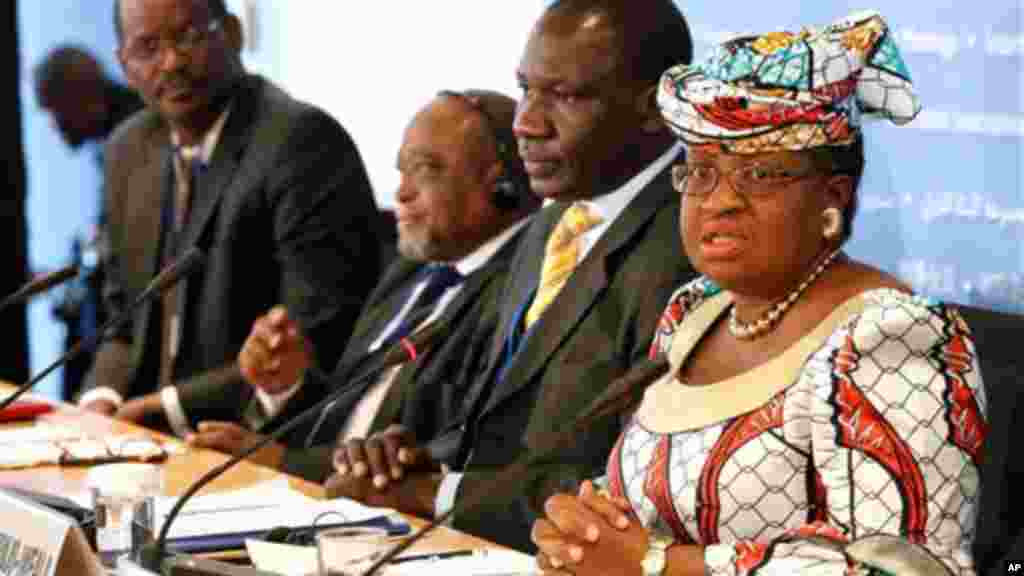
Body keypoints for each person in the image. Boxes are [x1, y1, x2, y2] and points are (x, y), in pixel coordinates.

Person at [530, 11, 986, 575]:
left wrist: (656, 566)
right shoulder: (693, 313)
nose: (720, 200)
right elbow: (649, 502)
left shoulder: (891, 336)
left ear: (833, 196)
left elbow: (907, 568)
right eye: (700, 172)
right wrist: (582, 536)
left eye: (761, 175)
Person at [327, 0, 698, 552]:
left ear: (654, 107)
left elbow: (643, 486)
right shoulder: (554, 221)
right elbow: (501, 427)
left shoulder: (691, 246)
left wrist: (442, 493)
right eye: (526, 89)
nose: (527, 122)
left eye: (566, 96)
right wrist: (417, 458)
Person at [184, 90, 540, 481]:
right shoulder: (411, 272)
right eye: (401, 171)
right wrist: (285, 388)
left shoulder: (522, 293)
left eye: (425, 169)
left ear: (500, 185)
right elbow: (350, 415)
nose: (402, 193)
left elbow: (441, 451)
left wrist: (285, 464)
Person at [76, 0, 381, 438]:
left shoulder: (301, 143)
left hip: (259, 441)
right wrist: (98, 403)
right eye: (147, 47)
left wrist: (167, 408)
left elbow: (314, 337)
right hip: (143, 448)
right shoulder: (128, 150)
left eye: (188, 37)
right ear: (123, 64)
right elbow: (121, 321)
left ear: (234, 34)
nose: (172, 62)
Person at [33, 44, 148, 401]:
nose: (53, 125)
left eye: (53, 111)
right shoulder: (115, 136)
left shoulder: (134, 135)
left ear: (78, 97)